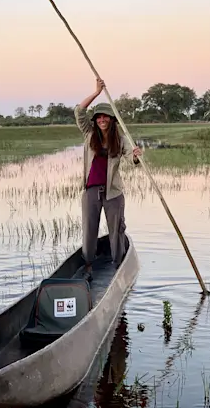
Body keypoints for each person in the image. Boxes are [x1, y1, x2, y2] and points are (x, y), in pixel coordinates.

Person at [74, 78, 143, 279]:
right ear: (95, 120)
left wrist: (136, 155)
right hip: (91, 191)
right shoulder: (89, 134)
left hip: (113, 192)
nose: (102, 120)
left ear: (112, 120)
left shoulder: (120, 139)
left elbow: (131, 156)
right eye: (99, 117)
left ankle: (118, 264)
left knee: (116, 230)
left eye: (106, 117)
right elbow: (79, 111)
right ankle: (88, 265)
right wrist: (96, 92)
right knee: (89, 229)